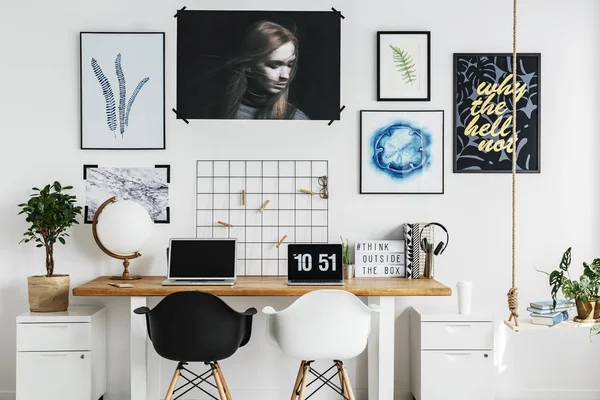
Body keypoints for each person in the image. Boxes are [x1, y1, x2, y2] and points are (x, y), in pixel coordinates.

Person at [219, 20, 309, 120]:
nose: (286, 76)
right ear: (248, 65)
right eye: (274, 66)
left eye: (290, 65)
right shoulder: (214, 111)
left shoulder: (297, 120)